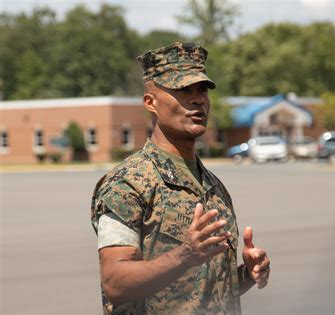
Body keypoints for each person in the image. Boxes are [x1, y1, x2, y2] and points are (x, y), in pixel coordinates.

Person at [90, 42, 270, 314]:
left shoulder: (212, 186)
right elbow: (115, 282)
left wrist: (246, 275)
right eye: (183, 90)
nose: (198, 99)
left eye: (202, 90)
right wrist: (185, 255)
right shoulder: (128, 183)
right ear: (150, 103)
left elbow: (198, 290)